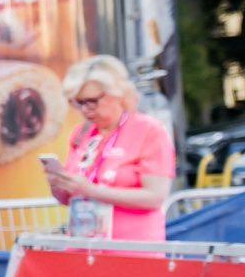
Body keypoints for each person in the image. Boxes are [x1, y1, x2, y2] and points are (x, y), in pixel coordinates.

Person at [45, 54, 175, 241]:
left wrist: (92, 191)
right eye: (78, 102)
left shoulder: (149, 130)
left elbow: (155, 198)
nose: (85, 109)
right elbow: (67, 199)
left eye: (92, 101)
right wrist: (58, 184)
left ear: (118, 94)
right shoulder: (81, 133)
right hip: (83, 245)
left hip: (131, 247)